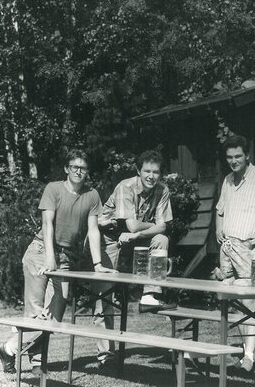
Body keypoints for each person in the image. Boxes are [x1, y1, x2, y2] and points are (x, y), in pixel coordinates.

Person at [0, 149, 115, 375]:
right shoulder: (53, 189)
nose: (79, 171)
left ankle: (8, 349)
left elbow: (93, 229)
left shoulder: (92, 195)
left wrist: (98, 264)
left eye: (83, 168)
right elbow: (48, 224)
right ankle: (38, 364)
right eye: (74, 167)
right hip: (40, 252)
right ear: (66, 169)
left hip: (66, 259)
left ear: (87, 171)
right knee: (36, 312)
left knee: (56, 313)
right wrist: (50, 257)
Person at [94, 149, 175, 367]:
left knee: (161, 239)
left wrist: (140, 233)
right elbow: (130, 224)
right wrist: (148, 227)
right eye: (146, 171)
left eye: (156, 172)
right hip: (109, 237)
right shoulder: (125, 187)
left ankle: (151, 293)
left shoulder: (163, 190)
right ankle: (106, 354)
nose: (151, 176)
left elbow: (162, 227)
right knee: (106, 294)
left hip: (134, 238)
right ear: (138, 171)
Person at [215, 134, 255, 372]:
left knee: (250, 298)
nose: (233, 161)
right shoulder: (228, 180)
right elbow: (219, 210)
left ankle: (249, 355)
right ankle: (247, 353)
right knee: (239, 301)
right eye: (229, 157)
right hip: (228, 250)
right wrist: (218, 229)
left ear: (247, 155)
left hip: (249, 248)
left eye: (238, 156)